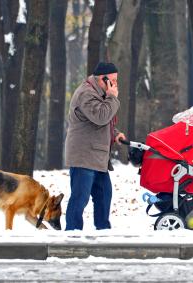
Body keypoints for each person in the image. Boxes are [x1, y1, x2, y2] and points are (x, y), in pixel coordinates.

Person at [64, 62, 126, 231]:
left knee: (104, 195)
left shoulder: (100, 92)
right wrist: (113, 97)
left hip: (97, 155)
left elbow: (102, 122)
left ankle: (103, 230)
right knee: (80, 198)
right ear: (102, 79)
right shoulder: (86, 93)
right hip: (84, 155)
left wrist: (115, 134)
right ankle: (72, 234)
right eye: (112, 80)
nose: (115, 84)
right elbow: (100, 116)